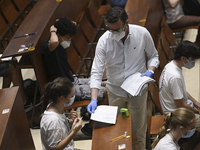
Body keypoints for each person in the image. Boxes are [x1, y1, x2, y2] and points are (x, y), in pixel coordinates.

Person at [87, 6, 160, 150]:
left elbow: (153, 56)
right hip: (116, 91)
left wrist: (151, 70)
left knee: (138, 129)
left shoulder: (141, 33)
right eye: (111, 29)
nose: (114, 33)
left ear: (127, 22)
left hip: (137, 90)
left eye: (118, 29)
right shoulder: (104, 41)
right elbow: (96, 71)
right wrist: (94, 98)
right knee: (118, 129)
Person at [41, 17, 108, 137]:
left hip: (72, 81)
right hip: (65, 89)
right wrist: (52, 30)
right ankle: (91, 126)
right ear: (59, 35)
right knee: (107, 91)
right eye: (68, 38)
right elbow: (55, 42)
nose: (69, 41)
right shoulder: (50, 47)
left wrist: (57, 25)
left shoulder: (58, 41)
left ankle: (89, 113)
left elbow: (73, 23)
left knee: (105, 82)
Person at [159, 41, 200, 132]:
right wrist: (197, 111)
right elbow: (181, 105)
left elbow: (181, 91)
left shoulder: (170, 65)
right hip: (176, 116)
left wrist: (196, 103)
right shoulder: (174, 76)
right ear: (183, 58)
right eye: (191, 59)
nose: (192, 62)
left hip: (179, 109)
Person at [40, 77, 83, 150]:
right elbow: (55, 149)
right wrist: (74, 132)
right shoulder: (53, 121)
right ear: (62, 98)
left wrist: (70, 122)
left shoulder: (54, 106)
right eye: (71, 96)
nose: (73, 98)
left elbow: (60, 132)